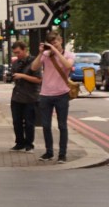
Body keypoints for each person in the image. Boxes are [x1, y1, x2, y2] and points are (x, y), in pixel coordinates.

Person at [35, 32, 75, 162]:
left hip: (62, 94)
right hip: (45, 94)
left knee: (62, 126)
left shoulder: (69, 55)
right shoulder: (46, 55)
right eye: (51, 43)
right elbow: (34, 67)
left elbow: (68, 66)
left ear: (61, 41)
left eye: (55, 42)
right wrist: (41, 52)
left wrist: (55, 51)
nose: (54, 45)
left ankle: (62, 154)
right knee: (46, 125)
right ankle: (49, 152)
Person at [8, 42, 40, 152]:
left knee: (29, 122)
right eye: (15, 53)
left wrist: (22, 76)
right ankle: (19, 143)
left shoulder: (34, 62)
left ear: (25, 49)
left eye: (18, 52)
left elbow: (39, 80)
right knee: (16, 121)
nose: (17, 55)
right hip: (17, 96)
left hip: (30, 97)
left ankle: (29, 144)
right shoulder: (16, 63)